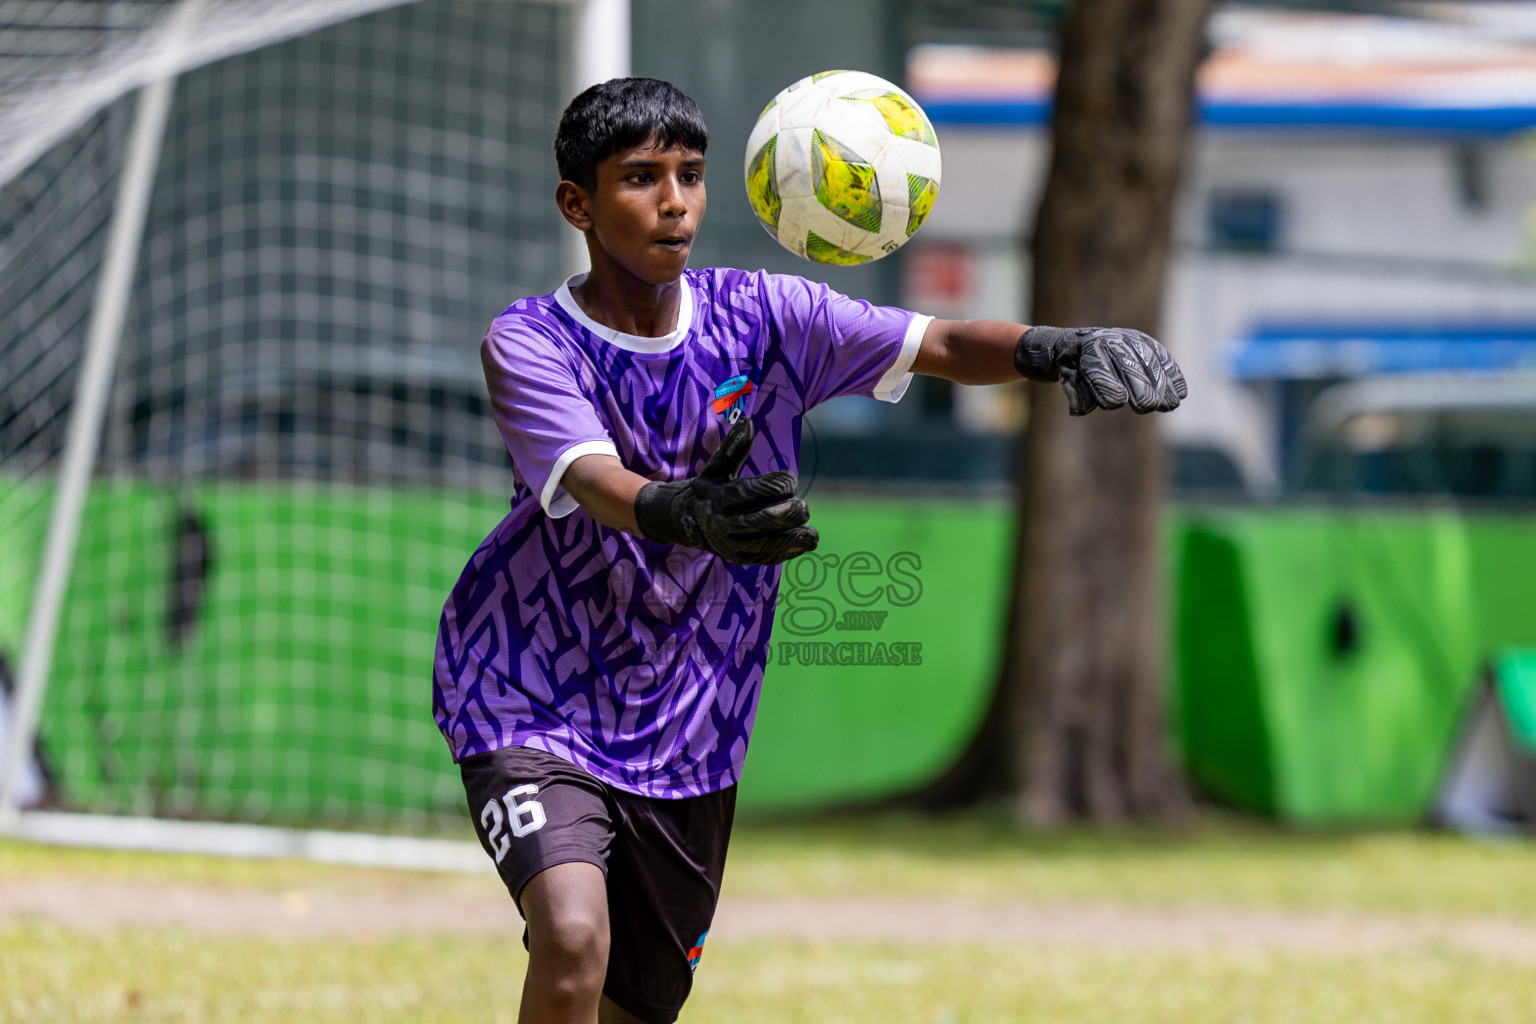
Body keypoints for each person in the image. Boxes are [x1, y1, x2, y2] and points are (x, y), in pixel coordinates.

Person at [433, 77, 1186, 1024]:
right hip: (527, 692)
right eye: (640, 178)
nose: (674, 201)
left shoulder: (766, 317)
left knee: (636, 1005)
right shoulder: (531, 340)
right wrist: (690, 510)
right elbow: (592, 480)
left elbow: (943, 339)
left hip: (688, 722)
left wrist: (1057, 346)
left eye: (691, 175)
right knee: (575, 939)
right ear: (576, 204)